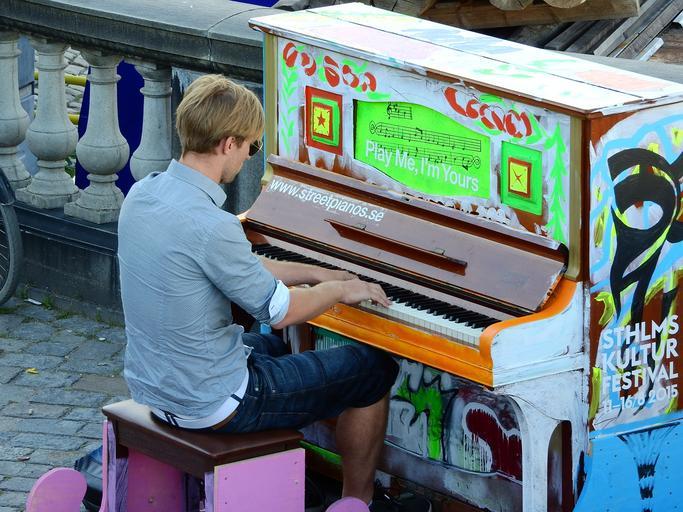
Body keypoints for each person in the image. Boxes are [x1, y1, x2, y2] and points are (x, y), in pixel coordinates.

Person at [118, 75, 429, 512]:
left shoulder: (144, 193)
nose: (249, 156)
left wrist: (317, 272)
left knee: (276, 348)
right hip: (210, 403)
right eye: (252, 146)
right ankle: (358, 501)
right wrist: (342, 289)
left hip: (156, 384)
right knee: (372, 369)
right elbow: (281, 310)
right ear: (229, 143)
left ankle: (311, 472)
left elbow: (241, 267)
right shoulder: (213, 226)